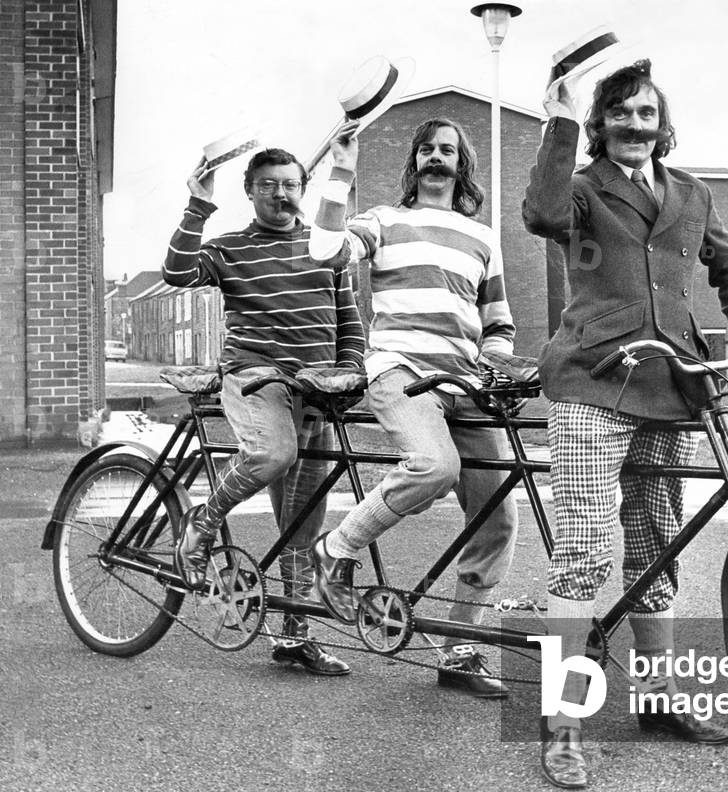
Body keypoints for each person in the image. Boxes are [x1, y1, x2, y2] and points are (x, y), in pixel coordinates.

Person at [522, 59, 728, 788]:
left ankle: (658, 698)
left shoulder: (690, 192)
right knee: (583, 551)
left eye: (647, 114)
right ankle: (561, 721)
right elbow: (539, 216)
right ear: (599, 124)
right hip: (592, 381)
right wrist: (559, 120)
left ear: (663, 127)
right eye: (620, 113)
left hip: (672, 382)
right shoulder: (575, 186)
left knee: (655, 548)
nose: (635, 124)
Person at [307, 117, 519, 699]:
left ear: (462, 165)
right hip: (398, 371)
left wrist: (496, 363)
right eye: (427, 148)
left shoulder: (484, 237)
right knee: (433, 465)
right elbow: (325, 250)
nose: (436, 157)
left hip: (463, 382)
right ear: (414, 162)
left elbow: (498, 323)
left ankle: (460, 648)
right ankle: (337, 548)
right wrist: (341, 170)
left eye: (448, 150)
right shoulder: (383, 220)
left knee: (498, 514)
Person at [164, 147, 366, 676]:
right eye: (269, 184)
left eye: (291, 184)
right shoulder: (230, 248)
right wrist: (197, 206)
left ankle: (295, 638)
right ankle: (201, 523)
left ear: (304, 189)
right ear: (250, 191)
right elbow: (177, 272)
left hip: (315, 390)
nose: (281, 194)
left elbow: (350, 322)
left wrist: (349, 371)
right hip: (255, 378)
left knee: (303, 520)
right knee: (272, 453)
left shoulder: (326, 247)